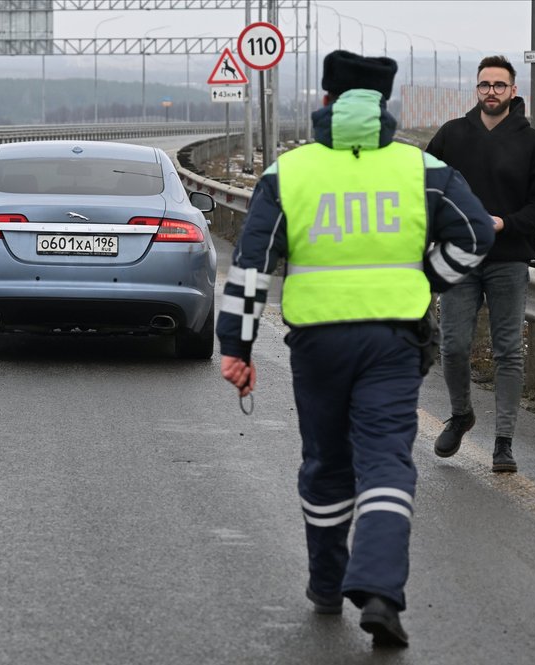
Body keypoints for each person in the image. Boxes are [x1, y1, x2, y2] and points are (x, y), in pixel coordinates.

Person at [217, 50, 495, 648]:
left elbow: (250, 267)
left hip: (317, 345)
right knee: (387, 462)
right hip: (393, 342)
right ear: (382, 107)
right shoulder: (423, 168)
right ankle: (379, 591)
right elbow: (474, 237)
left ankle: (325, 583)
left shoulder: (289, 173)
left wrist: (236, 347)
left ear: (326, 103)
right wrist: (428, 278)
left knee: (326, 463)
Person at [426, 55, 535, 473]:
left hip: (508, 260)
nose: (491, 92)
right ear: (476, 89)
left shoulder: (531, 141)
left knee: (507, 352)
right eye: (485, 85)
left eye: (499, 86)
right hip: (459, 257)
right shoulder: (452, 135)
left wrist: (507, 222)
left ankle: (503, 441)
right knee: (453, 345)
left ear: (513, 91)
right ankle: (461, 413)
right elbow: (425, 189)